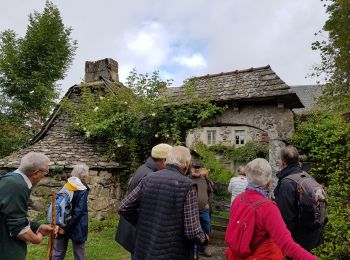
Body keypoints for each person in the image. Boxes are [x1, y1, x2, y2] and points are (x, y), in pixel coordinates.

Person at [118, 146, 208, 260]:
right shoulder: (188, 186)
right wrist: (204, 239)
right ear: (185, 164)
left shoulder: (148, 178)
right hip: (173, 252)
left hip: (144, 249)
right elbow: (192, 231)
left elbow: (123, 207)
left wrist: (141, 222)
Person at [225, 158, 317, 260]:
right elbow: (287, 244)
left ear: (248, 177)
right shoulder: (268, 208)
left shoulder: (238, 199)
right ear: (268, 181)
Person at [115, 143, 172, 258]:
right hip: (138, 232)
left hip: (135, 231)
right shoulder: (149, 175)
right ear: (163, 160)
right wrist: (142, 223)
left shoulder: (145, 168)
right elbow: (128, 207)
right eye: (170, 163)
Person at [0, 152, 55, 260]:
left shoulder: (11, 180)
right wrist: (36, 238)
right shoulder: (17, 186)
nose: (44, 176)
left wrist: (38, 227)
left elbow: (10, 217)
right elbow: (18, 228)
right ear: (36, 173)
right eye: (45, 173)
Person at [274, 146, 323, 251]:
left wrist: (284, 243)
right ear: (298, 160)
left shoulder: (286, 183)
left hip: (297, 239)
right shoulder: (306, 176)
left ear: (282, 162)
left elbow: (286, 218)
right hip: (311, 233)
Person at [52, 164, 90, 260]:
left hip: (62, 222)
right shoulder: (82, 189)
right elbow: (79, 211)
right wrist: (68, 227)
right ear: (84, 175)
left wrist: (62, 226)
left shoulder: (67, 185)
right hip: (77, 225)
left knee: (58, 253)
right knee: (79, 254)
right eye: (87, 173)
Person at [190, 162, 214, 257]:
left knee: (206, 228)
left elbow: (211, 192)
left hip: (204, 210)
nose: (196, 169)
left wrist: (208, 202)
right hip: (192, 211)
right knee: (193, 231)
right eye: (194, 167)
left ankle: (203, 249)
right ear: (191, 168)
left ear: (200, 168)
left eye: (198, 167)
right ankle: (193, 252)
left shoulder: (205, 180)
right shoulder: (187, 179)